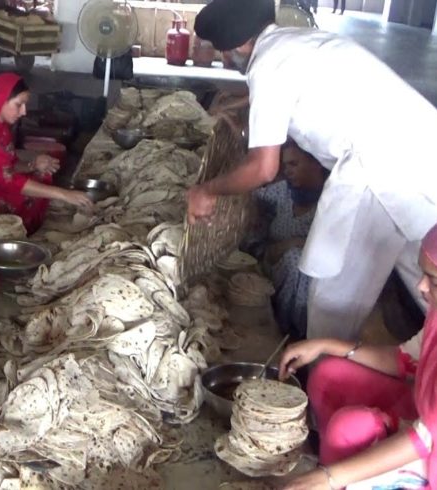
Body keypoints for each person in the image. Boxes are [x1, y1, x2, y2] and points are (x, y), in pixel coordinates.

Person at [187, 0, 437, 341]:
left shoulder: (267, 67)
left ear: (236, 46)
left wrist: (207, 191)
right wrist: (248, 102)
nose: (225, 60)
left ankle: (319, 381)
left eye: (222, 53)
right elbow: (309, 91)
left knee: (332, 295)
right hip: (421, 155)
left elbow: (263, 168)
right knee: (426, 279)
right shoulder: (297, 41)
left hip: (375, 172)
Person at [277, 222, 437, 489]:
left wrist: (332, 478)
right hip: (427, 419)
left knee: (348, 428)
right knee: (330, 374)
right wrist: (324, 345)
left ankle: (337, 473)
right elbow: (403, 359)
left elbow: (425, 438)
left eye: (433, 280)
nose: (420, 286)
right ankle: (333, 463)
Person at [0, 72, 93, 234]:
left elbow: (4, 165)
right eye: (19, 105)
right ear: (0, 100)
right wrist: (64, 194)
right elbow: (9, 180)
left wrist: (33, 164)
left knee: (42, 176)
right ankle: (18, 233)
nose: (24, 112)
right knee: (30, 197)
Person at [248, 140, 328, 339]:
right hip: (272, 261)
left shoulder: (330, 201)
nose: (288, 171)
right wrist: (255, 213)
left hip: (313, 280)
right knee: (293, 259)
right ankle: (284, 327)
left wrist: (293, 243)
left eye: (294, 164)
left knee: (297, 260)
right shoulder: (284, 191)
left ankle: (296, 333)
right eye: (285, 166)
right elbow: (252, 196)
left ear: (316, 163)